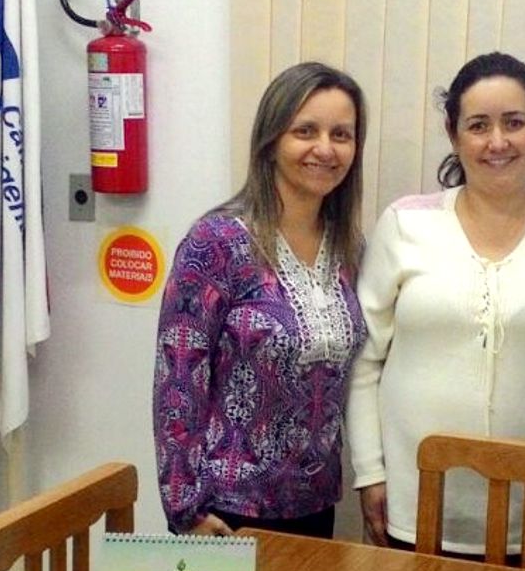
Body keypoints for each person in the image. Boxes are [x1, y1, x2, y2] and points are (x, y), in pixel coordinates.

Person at [347, 52, 525, 554]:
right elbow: (365, 362)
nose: (497, 142)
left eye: (514, 123)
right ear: (454, 135)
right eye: (478, 126)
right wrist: (370, 473)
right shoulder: (406, 224)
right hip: (413, 509)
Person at [153, 62, 368, 538]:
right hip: (226, 511)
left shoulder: (349, 249)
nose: (325, 148)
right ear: (271, 141)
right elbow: (178, 380)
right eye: (305, 131)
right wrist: (185, 509)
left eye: (341, 134)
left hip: (316, 504)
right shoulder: (217, 243)